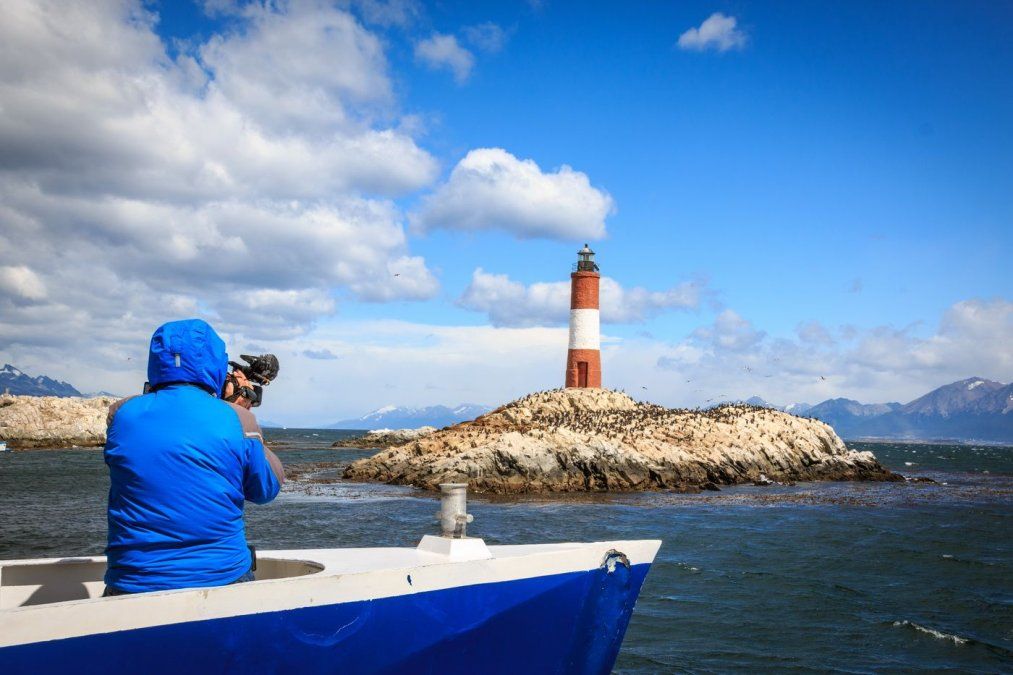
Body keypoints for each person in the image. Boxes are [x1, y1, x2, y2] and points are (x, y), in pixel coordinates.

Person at [103, 319, 284, 595]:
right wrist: (241, 414)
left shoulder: (121, 415)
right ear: (215, 362)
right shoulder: (237, 419)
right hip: (221, 577)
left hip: (131, 582)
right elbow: (265, 489)